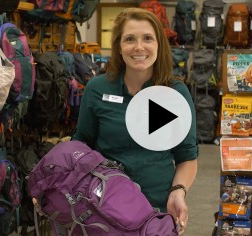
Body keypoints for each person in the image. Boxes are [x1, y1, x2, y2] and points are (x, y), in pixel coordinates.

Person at [72, 7, 198, 234]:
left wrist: (178, 191)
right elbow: (82, 145)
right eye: (130, 39)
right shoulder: (97, 89)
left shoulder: (176, 93)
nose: (139, 47)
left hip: (157, 210)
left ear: (159, 44)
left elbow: (187, 156)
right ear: (119, 47)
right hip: (103, 211)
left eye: (148, 38)